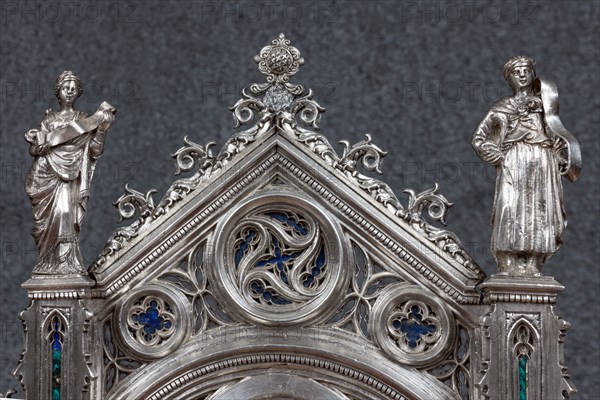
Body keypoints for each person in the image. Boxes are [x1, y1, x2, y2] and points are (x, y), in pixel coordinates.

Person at [472, 56, 578, 275]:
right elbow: (479, 137)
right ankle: (507, 259)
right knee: (509, 207)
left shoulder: (545, 107)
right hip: (514, 161)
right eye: (516, 72)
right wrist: (495, 154)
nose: (521, 75)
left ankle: (533, 261)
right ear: (509, 78)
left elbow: (556, 136)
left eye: (526, 70)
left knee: (539, 208)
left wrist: (560, 158)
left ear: (533, 75)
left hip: (542, 162)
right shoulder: (501, 107)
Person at [25, 71, 115, 274]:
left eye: (73, 89)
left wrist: (102, 129)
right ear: (58, 91)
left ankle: (66, 264)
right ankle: (47, 263)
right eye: (66, 88)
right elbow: (35, 150)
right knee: (47, 221)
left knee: (65, 214)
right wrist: (39, 146)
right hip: (47, 173)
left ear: (78, 93)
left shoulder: (83, 119)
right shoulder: (49, 120)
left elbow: (94, 151)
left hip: (71, 175)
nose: (69, 91)